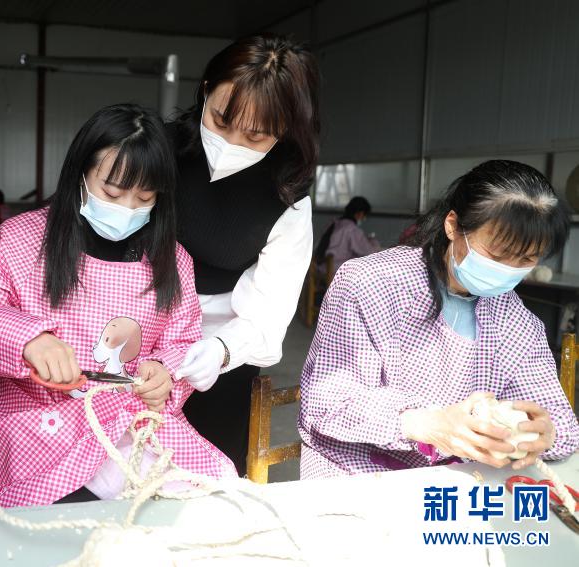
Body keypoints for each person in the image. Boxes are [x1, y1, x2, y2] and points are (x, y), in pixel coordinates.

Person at [0, 104, 236, 507]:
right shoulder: (21, 239)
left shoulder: (171, 259)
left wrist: (166, 376)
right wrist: (29, 341)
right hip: (39, 424)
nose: (127, 210)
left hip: (135, 424)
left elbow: (182, 340)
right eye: (112, 193)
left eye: (144, 198)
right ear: (80, 174)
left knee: (210, 506)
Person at [298, 160, 579, 478]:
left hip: (453, 479)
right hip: (357, 473)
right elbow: (325, 405)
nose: (508, 270)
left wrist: (544, 433)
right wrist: (427, 424)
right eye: (498, 254)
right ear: (453, 225)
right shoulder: (370, 283)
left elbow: (563, 426)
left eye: (526, 260)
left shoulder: (514, 319)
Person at [169, 33, 320, 474]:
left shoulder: (286, 195)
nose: (231, 142)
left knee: (207, 483)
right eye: (219, 120)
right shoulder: (158, 153)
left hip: (220, 355)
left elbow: (269, 306)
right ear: (204, 90)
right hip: (129, 338)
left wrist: (221, 348)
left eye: (255, 136)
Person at [314, 196, 381, 275]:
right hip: (334, 271)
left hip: (320, 267)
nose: (363, 219)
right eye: (364, 216)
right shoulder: (351, 229)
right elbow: (369, 252)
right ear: (361, 213)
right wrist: (373, 242)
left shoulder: (333, 223)